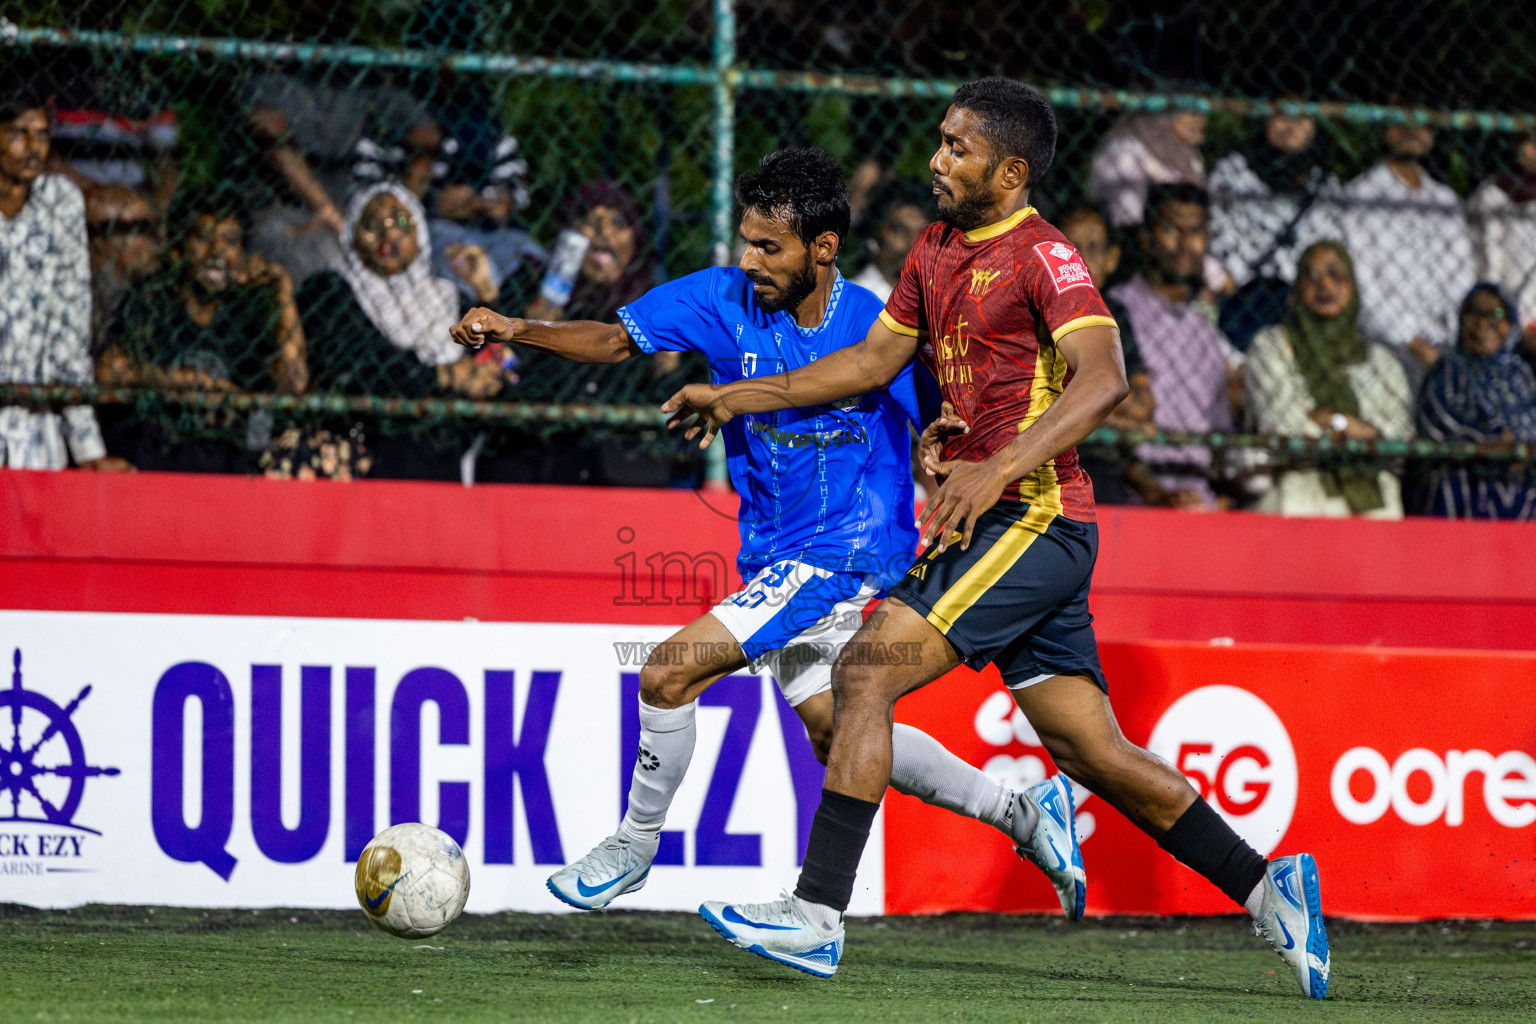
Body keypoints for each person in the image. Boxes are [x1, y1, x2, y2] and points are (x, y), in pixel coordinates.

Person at [665, 79, 1328, 998]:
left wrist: (991, 467)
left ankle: (816, 915)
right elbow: (866, 363)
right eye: (940, 142)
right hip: (1006, 525)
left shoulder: (1046, 256)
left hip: (1036, 518)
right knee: (1092, 753)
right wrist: (730, 395)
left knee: (864, 670)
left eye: (958, 147)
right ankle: (1269, 889)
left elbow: (1106, 380)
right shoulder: (934, 249)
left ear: (1009, 171)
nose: (937, 159)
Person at [449, 148, 1084, 922]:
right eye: (746, 241)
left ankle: (633, 845)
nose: (749, 260)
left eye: (768, 246)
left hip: (852, 557)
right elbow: (617, 339)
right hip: (775, 560)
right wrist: (517, 327)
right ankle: (1023, 813)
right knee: (838, 732)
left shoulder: (879, 327)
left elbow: (941, 432)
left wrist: (939, 458)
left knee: (666, 674)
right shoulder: (718, 298)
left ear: (823, 248)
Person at [296, 181, 500, 480]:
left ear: (420, 233)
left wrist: (485, 292)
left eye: (402, 221)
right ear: (352, 234)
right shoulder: (328, 290)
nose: (388, 233)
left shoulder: (449, 300)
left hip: (441, 462)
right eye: (371, 223)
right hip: (365, 455)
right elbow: (365, 367)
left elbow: (493, 369)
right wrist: (446, 375)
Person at [0, 84, 130, 472]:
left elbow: (70, 330)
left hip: (36, 431)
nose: (34, 147)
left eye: (42, 135)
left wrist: (88, 450)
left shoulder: (60, 202)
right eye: (19, 133)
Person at [1245, 241, 1413, 518]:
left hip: (1376, 513)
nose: (1325, 285)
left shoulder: (1383, 362)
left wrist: (1333, 421)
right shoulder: (1271, 346)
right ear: (1297, 290)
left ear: (1353, 287)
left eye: (1336, 275)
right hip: (1296, 504)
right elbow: (1281, 428)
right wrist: (1361, 433)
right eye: (1312, 278)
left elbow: (1399, 444)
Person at [1107, 184, 1245, 507]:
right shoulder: (1115, 310)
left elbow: (1220, 437)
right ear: (1147, 238)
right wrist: (1157, 494)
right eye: (1170, 229)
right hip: (1134, 497)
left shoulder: (1205, 331)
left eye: (1195, 231)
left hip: (1202, 501)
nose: (1184, 243)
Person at [1338, 125, 1476, 375]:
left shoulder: (1445, 200)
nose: (1413, 129)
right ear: (1385, 129)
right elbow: (1362, 286)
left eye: (1424, 122)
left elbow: (1462, 278)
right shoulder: (1360, 195)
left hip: (1448, 343)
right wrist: (1413, 342)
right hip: (1386, 345)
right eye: (1402, 118)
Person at [1058, 207, 1158, 505]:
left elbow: (1142, 405)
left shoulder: (1114, 315)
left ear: (1112, 259)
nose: (1081, 260)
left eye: (1094, 249)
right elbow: (1054, 401)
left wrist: (1099, 402)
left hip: (1104, 460)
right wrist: (1122, 421)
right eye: (1070, 248)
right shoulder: (1039, 312)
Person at [1417, 283, 1536, 519]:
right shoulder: (1449, 368)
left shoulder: (1520, 373)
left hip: (1522, 476)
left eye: (1497, 314)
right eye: (1474, 313)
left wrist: (1522, 449)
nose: (1484, 324)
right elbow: (1438, 419)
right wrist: (1490, 439)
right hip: (1468, 473)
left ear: (1511, 323)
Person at [1208, 112, 1338, 289]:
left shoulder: (1326, 188)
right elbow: (1214, 234)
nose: (1292, 122)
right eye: (1282, 112)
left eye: (1304, 114)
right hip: (1238, 295)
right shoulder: (1231, 172)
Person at [1468, 132, 1536, 367]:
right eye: (1527, 143)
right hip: (1502, 319)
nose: (1530, 152)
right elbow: (1489, 270)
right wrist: (1506, 318)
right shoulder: (1492, 195)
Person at [1088, 112, 1208, 229]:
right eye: (1191, 112)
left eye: (1203, 112)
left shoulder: (1189, 156)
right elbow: (1126, 217)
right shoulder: (1126, 147)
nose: (1199, 120)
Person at [84, 185, 162, 352]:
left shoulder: (158, 293)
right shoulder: (78, 299)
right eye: (142, 228)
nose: (158, 238)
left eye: (154, 227)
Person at [850, 182, 931, 303]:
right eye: (900, 231)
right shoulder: (851, 302)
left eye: (923, 234)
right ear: (874, 238)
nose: (914, 244)